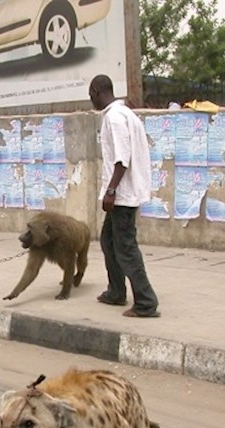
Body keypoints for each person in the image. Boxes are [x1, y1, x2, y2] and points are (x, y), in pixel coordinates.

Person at [88, 74, 160, 318]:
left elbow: (122, 159)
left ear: (98, 91)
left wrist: (111, 190)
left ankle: (146, 302)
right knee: (108, 241)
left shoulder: (115, 118)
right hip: (124, 193)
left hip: (122, 195)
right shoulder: (127, 114)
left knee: (126, 248)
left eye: (91, 95)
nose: (91, 100)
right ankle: (116, 291)